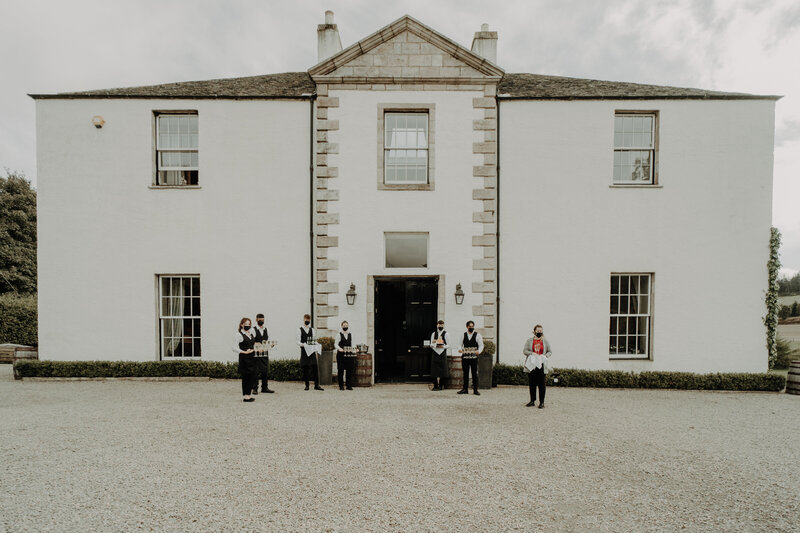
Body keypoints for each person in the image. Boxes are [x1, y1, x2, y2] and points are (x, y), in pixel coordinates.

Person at [523, 324, 552, 408]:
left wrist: (545, 356)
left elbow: (550, 352)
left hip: (541, 365)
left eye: (541, 331)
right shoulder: (529, 341)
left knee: (541, 384)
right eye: (538, 331)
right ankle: (532, 401)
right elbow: (525, 351)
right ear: (534, 331)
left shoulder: (545, 341)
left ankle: (542, 402)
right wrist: (532, 353)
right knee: (532, 383)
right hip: (532, 364)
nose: (539, 332)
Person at [297, 314, 323, 391]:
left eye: (308, 320)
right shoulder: (299, 330)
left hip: (312, 351)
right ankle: (307, 385)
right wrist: (303, 344)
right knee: (306, 368)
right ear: (303, 320)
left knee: (315, 367)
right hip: (304, 351)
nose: (307, 321)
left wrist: (316, 344)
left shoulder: (312, 330)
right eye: (306, 320)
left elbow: (314, 340)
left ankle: (316, 385)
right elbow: (297, 341)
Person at [458, 320, 484, 395]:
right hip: (465, 357)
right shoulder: (463, 335)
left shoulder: (477, 335)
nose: (471, 328)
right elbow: (460, 344)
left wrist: (479, 351)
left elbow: (481, 345)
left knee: (474, 373)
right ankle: (465, 389)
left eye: (472, 326)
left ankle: (475, 389)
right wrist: (459, 349)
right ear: (467, 327)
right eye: (470, 326)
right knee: (465, 373)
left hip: (474, 357)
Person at [233, 317, 257, 402]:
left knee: (251, 377)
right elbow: (234, 348)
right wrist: (244, 352)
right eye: (246, 324)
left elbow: (253, 345)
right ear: (242, 324)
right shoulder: (239, 335)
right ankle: (246, 397)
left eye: (249, 324)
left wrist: (258, 348)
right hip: (244, 359)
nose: (248, 325)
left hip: (252, 358)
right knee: (246, 377)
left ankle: (248, 395)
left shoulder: (251, 334)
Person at [252, 313, 274, 394]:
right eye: (260, 319)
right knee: (255, 371)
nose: (261, 320)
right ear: (256, 319)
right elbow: (251, 341)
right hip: (256, 353)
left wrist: (271, 344)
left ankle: (264, 388)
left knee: (265, 371)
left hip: (265, 352)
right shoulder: (253, 330)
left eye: (262, 319)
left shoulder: (266, 329)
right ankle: (254, 388)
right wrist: (256, 345)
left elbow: (269, 340)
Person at [429, 320, 449, 391]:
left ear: (443, 325)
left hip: (442, 353)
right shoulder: (433, 334)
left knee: (443, 370)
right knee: (434, 370)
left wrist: (442, 346)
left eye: (441, 325)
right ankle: (435, 386)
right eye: (439, 325)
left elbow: (448, 345)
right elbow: (431, 344)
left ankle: (441, 385)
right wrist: (435, 345)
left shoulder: (446, 334)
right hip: (435, 353)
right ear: (437, 325)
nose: (440, 326)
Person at [336, 320, 355, 390]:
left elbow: (352, 344)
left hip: (348, 354)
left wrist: (355, 350)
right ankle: (341, 386)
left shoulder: (350, 334)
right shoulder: (339, 334)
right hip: (341, 355)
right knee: (340, 370)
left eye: (346, 326)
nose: (345, 327)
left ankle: (348, 385)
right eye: (344, 326)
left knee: (349, 370)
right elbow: (335, 344)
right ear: (342, 326)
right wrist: (339, 348)